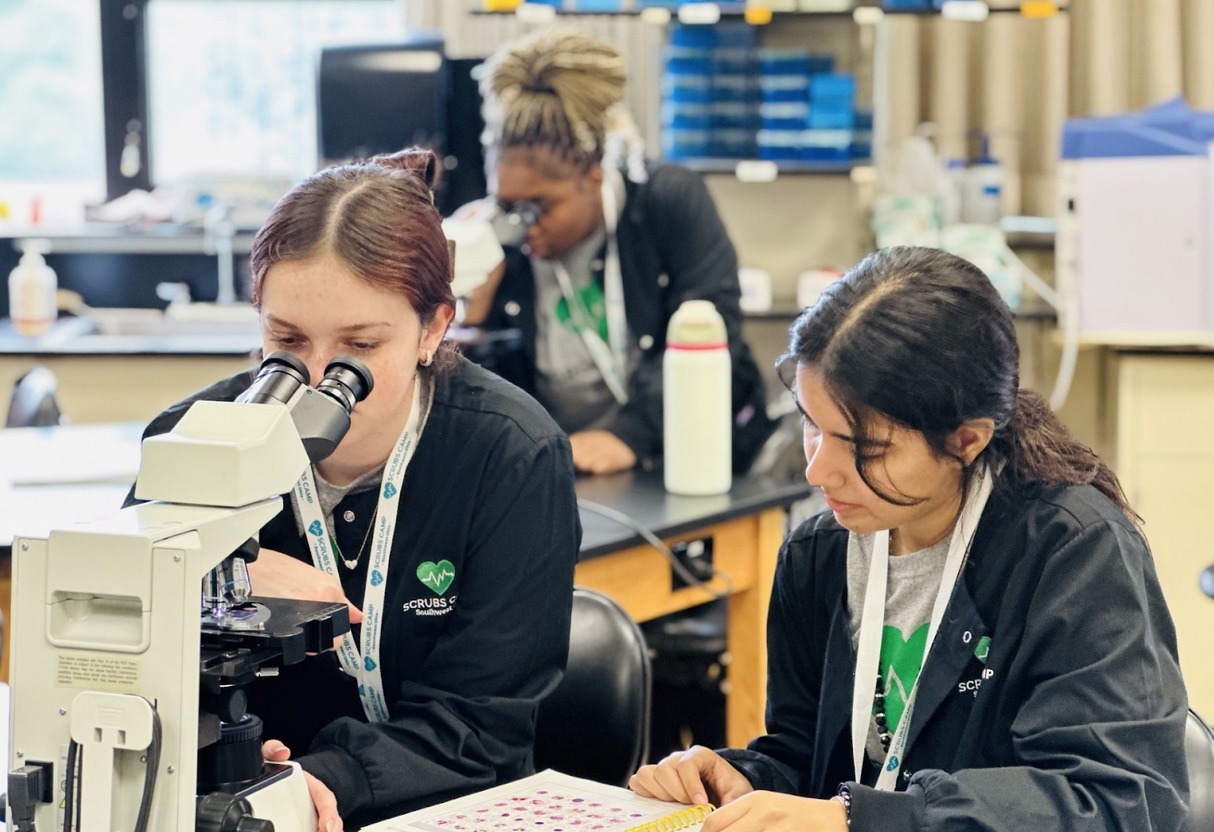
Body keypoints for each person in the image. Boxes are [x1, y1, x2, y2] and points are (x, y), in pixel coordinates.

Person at [630, 246, 1188, 831]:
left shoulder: (1074, 554)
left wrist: (860, 820)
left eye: (866, 449)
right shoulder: (819, 553)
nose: (818, 472)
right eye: (811, 426)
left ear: (966, 441)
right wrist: (741, 780)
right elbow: (808, 758)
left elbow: (1118, 801)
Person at [130, 149, 581, 830]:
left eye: (358, 349)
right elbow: (136, 669)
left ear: (433, 328)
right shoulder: (189, 445)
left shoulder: (511, 455)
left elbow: (481, 726)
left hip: (440, 808)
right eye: (286, 340)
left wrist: (320, 779)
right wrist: (220, 566)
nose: (315, 382)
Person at [460, 27, 775, 476]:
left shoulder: (666, 201)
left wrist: (629, 434)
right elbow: (483, 397)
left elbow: (712, 327)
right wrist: (471, 318)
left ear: (592, 177)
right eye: (507, 206)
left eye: (539, 207)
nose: (522, 224)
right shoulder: (499, 238)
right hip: (569, 469)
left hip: (688, 452)